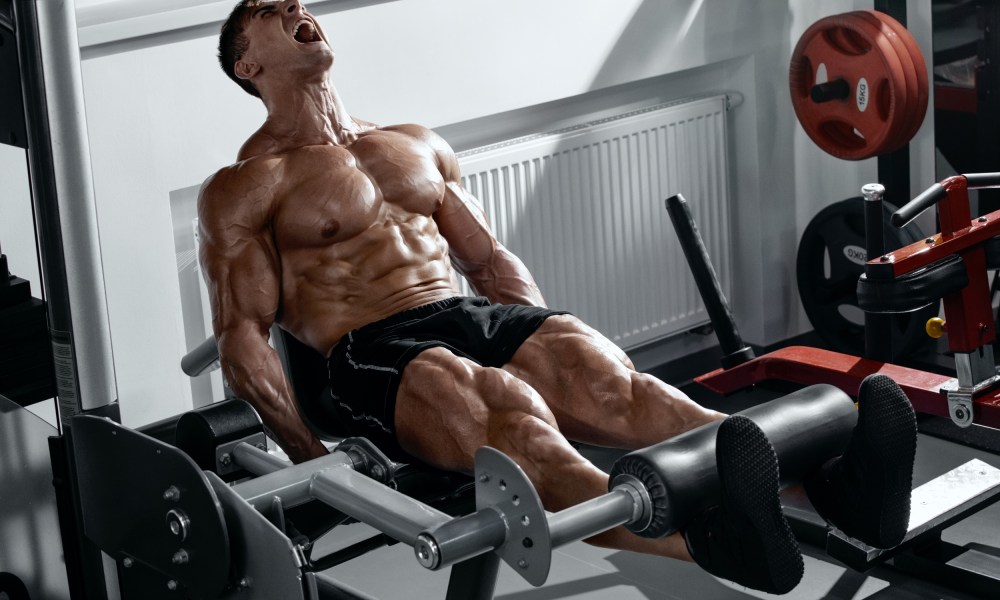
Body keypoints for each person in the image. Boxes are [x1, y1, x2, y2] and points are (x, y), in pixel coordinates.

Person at [199, 0, 917, 594]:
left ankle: (828, 484)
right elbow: (242, 336)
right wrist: (308, 463)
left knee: (609, 380)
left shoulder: (410, 143)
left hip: (464, 315)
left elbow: (487, 260)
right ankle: (702, 540)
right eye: (269, 9)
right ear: (248, 65)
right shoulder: (247, 184)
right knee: (503, 410)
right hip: (369, 353)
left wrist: (537, 337)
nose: (296, 5)